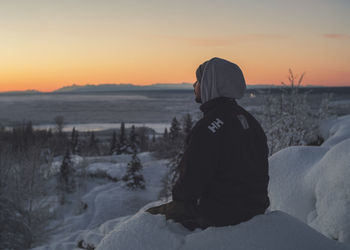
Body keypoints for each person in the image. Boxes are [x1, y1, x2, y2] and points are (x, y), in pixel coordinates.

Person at [147, 57, 270, 230]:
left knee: (148, 219)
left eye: (198, 80)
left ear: (210, 84)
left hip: (219, 215)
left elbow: (190, 184)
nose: (194, 85)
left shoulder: (209, 128)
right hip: (254, 209)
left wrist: (181, 201)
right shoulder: (249, 121)